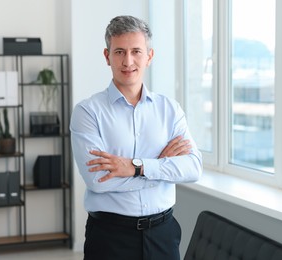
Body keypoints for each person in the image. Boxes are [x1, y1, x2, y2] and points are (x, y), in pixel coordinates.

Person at [70, 15, 203, 260]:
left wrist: (135, 167)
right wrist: (161, 169)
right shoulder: (87, 112)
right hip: (110, 238)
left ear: (149, 56)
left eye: (136, 51)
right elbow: (99, 181)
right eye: (119, 51)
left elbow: (193, 167)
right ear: (107, 56)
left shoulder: (169, 110)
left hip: (163, 234)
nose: (128, 61)